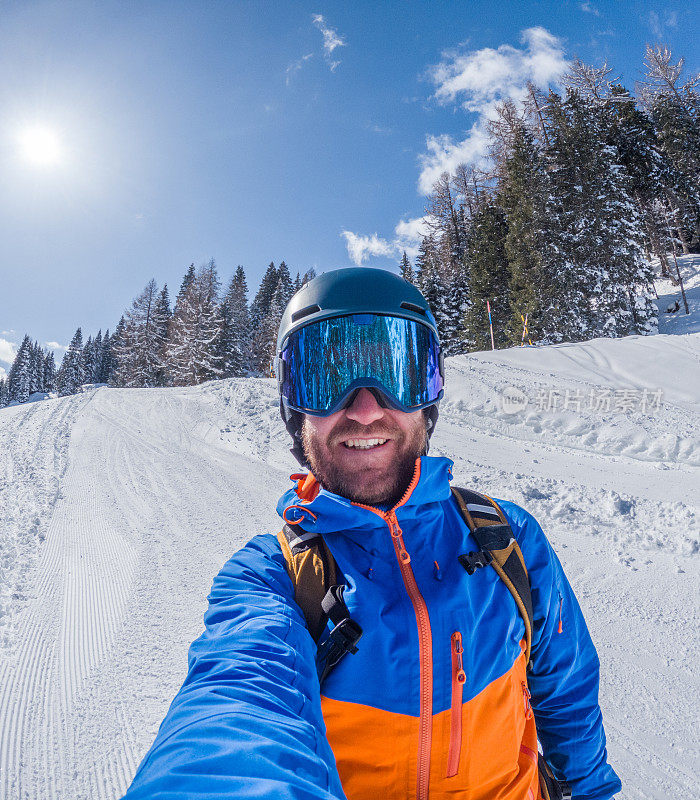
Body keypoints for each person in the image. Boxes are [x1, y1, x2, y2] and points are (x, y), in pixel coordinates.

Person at [123, 268, 621, 800]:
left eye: (397, 375)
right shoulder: (272, 579)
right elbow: (235, 712)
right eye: (324, 377)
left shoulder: (508, 539)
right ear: (295, 412)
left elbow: (565, 692)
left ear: (428, 402)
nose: (364, 409)